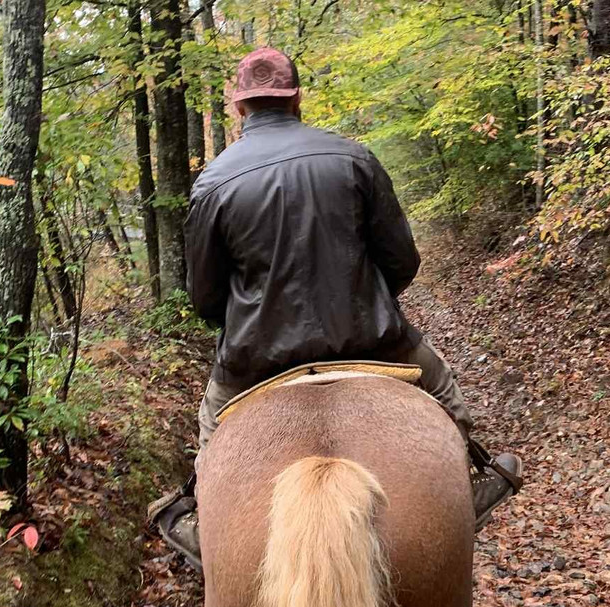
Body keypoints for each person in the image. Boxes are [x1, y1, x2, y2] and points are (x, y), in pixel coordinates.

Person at [148, 48, 521, 569]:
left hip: (257, 359)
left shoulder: (213, 183)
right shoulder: (353, 158)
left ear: (239, 107)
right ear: (297, 98)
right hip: (372, 339)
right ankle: (475, 481)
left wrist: (247, 319)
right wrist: (364, 299)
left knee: (211, 433)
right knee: (443, 390)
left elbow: (205, 298)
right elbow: (402, 261)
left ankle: (200, 523)